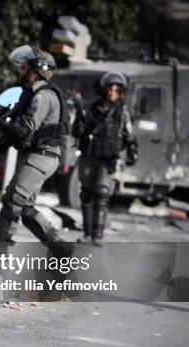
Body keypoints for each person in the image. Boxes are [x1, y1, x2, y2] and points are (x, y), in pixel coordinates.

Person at [0, 45, 71, 256]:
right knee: (24, 208)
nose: (19, 71)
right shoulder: (33, 94)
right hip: (41, 156)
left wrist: (2, 124)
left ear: (36, 71)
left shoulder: (42, 96)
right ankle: (60, 248)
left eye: (24, 67)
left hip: (41, 156)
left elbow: (25, 130)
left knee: (12, 200)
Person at [72, 71, 138, 245]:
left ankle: (97, 235)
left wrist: (132, 153)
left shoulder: (122, 113)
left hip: (108, 160)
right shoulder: (92, 109)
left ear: (121, 92)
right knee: (86, 195)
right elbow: (77, 131)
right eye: (110, 88)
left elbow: (129, 135)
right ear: (104, 89)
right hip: (89, 156)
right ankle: (87, 234)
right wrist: (79, 114)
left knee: (102, 194)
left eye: (117, 90)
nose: (112, 92)